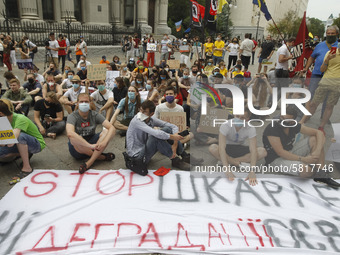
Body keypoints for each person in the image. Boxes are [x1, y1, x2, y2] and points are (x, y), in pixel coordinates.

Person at [263, 106, 340, 188]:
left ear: (292, 121)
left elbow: (319, 133)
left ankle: (321, 173)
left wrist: (317, 150)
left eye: (286, 119)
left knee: (315, 139)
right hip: (275, 159)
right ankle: (314, 168)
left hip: (290, 151)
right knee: (306, 171)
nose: (281, 120)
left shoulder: (294, 125)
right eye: (281, 117)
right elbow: (280, 152)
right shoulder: (272, 128)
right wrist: (303, 159)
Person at [124, 100, 191, 176]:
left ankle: (184, 156)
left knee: (167, 129)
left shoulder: (151, 120)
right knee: (156, 137)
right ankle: (175, 159)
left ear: (151, 114)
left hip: (145, 149)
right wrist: (173, 137)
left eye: (144, 112)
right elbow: (156, 133)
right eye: (140, 110)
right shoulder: (136, 121)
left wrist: (175, 143)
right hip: (137, 157)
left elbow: (172, 126)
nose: (140, 113)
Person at [209, 108, 267, 186]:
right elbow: (222, 147)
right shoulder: (225, 125)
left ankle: (227, 161)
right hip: (227, 148)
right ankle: (237, 163)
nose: (238, 119)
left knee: (262, 151)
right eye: (237, 116)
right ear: (234, 114)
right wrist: (227, 170)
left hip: (239, 148)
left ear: (247, 119)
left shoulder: (251, 128)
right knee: (212, 148)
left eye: (242, 117)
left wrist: (252, 171)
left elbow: (253, 150)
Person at [67, 93, 115, 174]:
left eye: (86, 101)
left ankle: (89, 163)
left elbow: (112, 128)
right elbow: (70, 133)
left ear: (90, 103)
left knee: (106, 131)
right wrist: (89, 146)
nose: (84, 103)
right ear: (77, 103)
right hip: (78, 149)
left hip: (94, 143)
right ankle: (101, 157)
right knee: (73, 139)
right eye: (81, 102)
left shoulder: (94, 114)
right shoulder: (72, 116)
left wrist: (104, 142)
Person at [300, 36, 340, 134]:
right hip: (325, 82)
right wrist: (327, 60)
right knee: (314, 103)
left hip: (337, 85)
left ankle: (321, 126)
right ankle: (303, 121)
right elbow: (322, 69)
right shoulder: (330, 53)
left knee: (329, 106)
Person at [0, 99, 45, 178]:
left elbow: (10, 143)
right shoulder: (3, 121)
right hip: (18, 143)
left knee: (20, 137)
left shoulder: (20, 118)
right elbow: (3, 143)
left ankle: (27, 168)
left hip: (36, 144)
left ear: (1, 113)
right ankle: (24, 153)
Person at [303, 26, 339, 118]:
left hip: (331, 77)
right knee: (311, 94)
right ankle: (306, 116)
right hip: (317, 74)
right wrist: (306, 68)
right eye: (328, 33)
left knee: (328, 100)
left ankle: (324, 117)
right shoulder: (319, 45)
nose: (330, 35)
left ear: (337, 34)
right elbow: (312, 57)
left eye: (332, 33)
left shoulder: (339, 46)